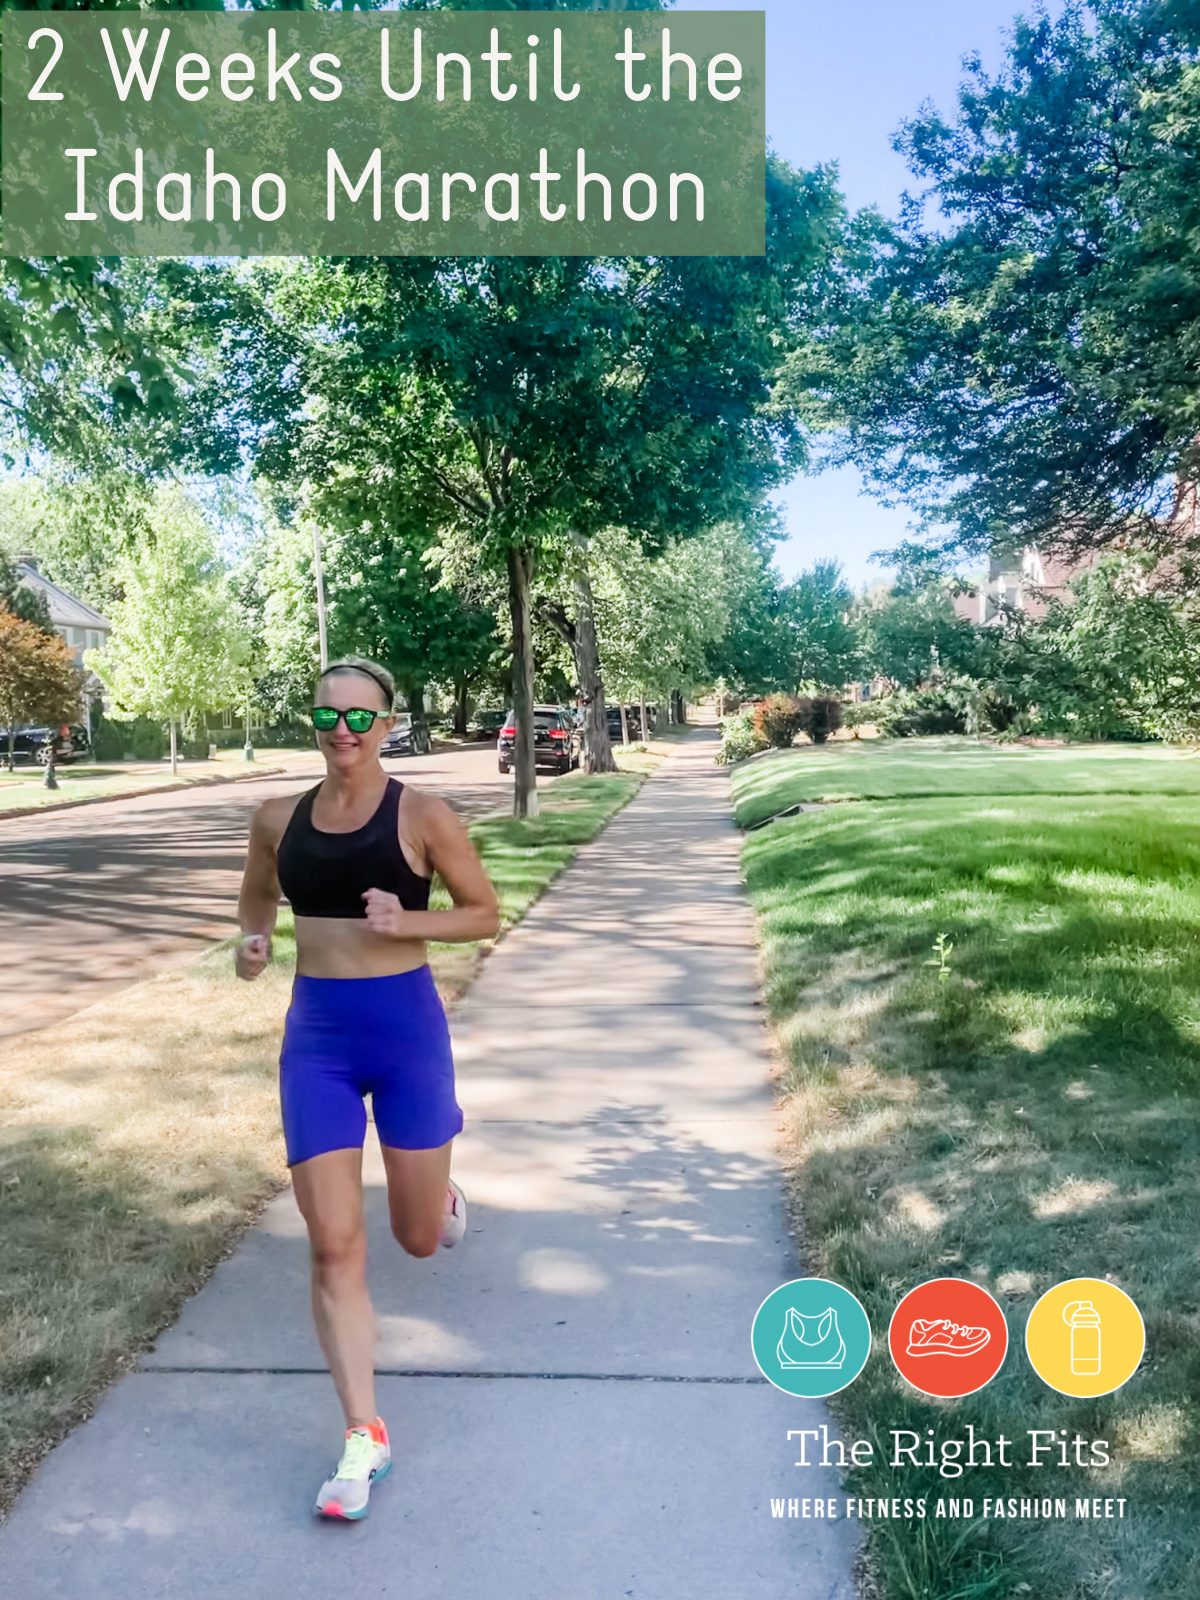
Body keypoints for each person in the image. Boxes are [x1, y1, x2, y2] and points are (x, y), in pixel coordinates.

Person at [235, 656, 500, 1520]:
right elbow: (256, 900)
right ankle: (363, 1435)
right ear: (312, 722)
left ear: (387, 723)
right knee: (333, 1248)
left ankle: (440, 1197)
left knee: (417, 1239)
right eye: (327, 716)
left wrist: (407, 919)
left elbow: (483, 912)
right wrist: (253, 941)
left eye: (360, 717)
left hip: (405, 1034)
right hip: (317, 1041)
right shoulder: (277, 819)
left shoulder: (422, 815)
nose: (342, 731)